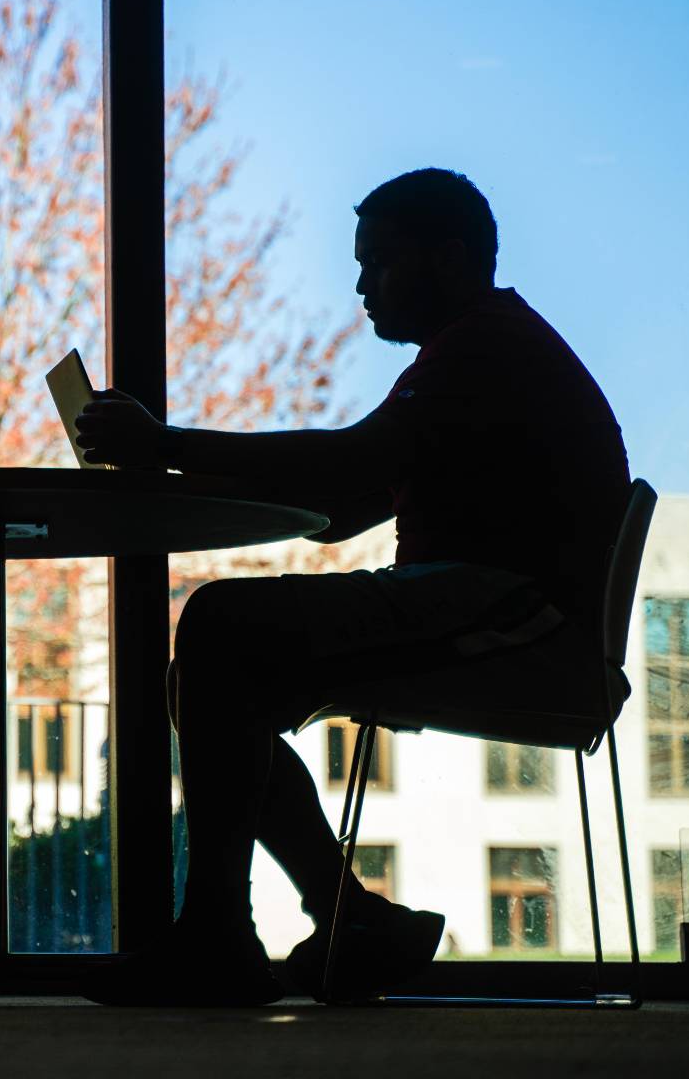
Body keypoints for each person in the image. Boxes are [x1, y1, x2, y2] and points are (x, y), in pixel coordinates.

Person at [76, 168, 630, 1006]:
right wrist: (180, 459)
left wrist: (167, 446)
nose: (363, 285)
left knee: (221, 628)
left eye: (377, 262)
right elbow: (344, 502)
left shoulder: (480, 347)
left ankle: (223, 937)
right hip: (504, 608)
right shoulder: (480, 349)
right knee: (220, 663)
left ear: (444, 258)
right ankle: (347, 917)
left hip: (511, 615)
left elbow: (350, 467)